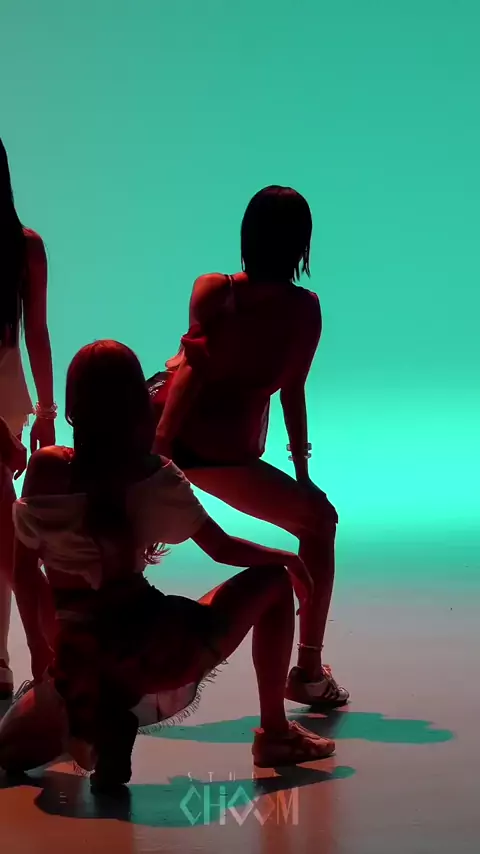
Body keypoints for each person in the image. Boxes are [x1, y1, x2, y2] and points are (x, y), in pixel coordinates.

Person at [4, 340, 334, 792]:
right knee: (273, 584)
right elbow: (222, 549)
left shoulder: (46, 470)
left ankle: (95, 717)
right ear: (138, 405)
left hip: (78, 656)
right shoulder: (154, 474)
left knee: (9, 755)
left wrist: (47, 655)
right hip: (154, 650)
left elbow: (25, 574)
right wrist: (289, 559)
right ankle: (275, 733)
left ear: (75, 406)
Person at [152, 185, 348, 706]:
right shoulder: (304, 308)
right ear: (301, 244)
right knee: (319, 524)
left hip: (178, 437)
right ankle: (308, 670)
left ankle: (74, 664)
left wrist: (159, 453)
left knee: (121, 539)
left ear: (247, 236)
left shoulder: (214, 289)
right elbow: (291, 390)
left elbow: (191, 370)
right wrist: (302, 473)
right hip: (216, 452)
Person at [0, 140, 56, 700]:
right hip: (9, 389)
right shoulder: (25, 246)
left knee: (7, 542)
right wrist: (44, 410)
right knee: (7, 540)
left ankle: (46, 663)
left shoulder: (25, 247)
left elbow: (36, 330)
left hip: (5, 398)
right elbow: (36, 332)